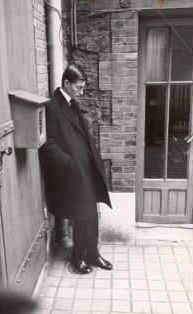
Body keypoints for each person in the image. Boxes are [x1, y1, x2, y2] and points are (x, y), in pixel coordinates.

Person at [39, 63, 113, 274]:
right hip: (72, 172)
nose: (81, 92)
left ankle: (93, 253)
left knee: (92, 212)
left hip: (86, 168)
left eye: (82, 88)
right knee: (83, 213)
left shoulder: (71, 102)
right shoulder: (52, 106)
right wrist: (71, 165)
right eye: (78, 88)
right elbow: (48, 145)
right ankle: (77, 257)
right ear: (66, 83)